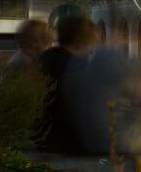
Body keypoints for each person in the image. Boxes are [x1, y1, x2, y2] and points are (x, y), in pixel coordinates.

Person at [37, 15, 97, 153]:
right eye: (92, 40)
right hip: (68, 143)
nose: (94, 47)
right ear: (80, 39)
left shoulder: (45, 59)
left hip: (45, 140)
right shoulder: (77, 67)